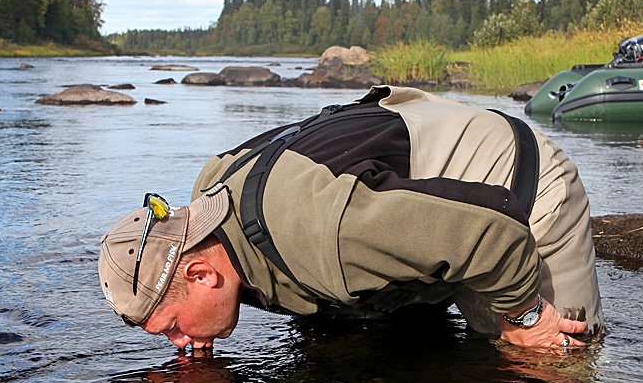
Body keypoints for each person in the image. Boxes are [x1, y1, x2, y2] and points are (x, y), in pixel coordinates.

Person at [98, 86, 603, 351]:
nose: (180, 345)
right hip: (408, 173)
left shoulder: (326, 232)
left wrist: (524, 317)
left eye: (171, 329)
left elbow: (496, 237)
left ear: (201, 273)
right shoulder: (205, 206)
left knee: (547, 366)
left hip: (510, 184)